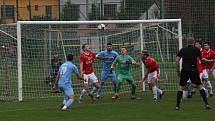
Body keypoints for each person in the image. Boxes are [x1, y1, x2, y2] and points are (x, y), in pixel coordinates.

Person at [175, 37, 210, 110]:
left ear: (187, 42)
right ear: (193, 42)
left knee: (181, 87)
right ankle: (206, 104)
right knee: (200, 86)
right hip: (194, 70)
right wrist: (209, 61)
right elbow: (202, 60)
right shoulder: (196, 50)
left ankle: (177, 106)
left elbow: (177, 60)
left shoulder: (183, 50)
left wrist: (178, 71)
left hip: (185, 70)